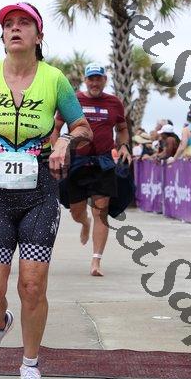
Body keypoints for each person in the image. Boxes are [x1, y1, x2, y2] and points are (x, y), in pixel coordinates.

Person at [0, 2, 91, 379]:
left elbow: (83, 127)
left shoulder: (54, 79)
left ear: (38, 35)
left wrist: (64, 141)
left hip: (40, 192)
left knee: (32, 285)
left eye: (24, 23)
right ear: (2, 36)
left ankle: (30, 367)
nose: (15, 29)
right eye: (9, 24)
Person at [52, 63, 131, 277]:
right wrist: (57, 148)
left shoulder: (114, 103)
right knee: (77, 211)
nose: (95, 83)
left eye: (98, 78)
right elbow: (56, 128)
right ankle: (84, 223)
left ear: (105, 80)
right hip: (77, 161)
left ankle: (96, 260)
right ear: (85, 80)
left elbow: (122, 129)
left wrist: (124, 146)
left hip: (103, 162)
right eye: (91, 79)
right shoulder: (73, 100)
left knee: (101, 211)